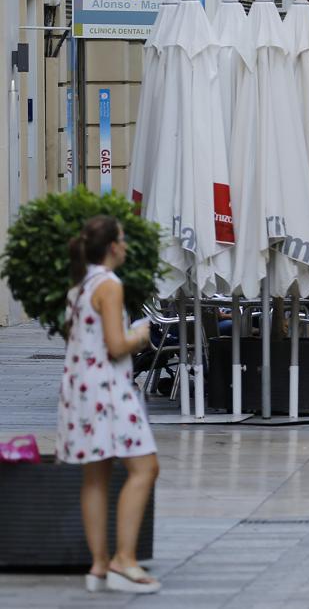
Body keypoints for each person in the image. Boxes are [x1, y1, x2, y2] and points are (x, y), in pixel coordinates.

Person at [59, 216, 161, 594]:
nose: (126, 245)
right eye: (122, 239)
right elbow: (116, 345)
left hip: (81, 390)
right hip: (109, 390)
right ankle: (124, 560)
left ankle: (99, 564)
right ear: (113, 247)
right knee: (145, 468)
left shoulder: (80, 286)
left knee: (95, 476)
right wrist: (140, 335)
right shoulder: (109, 284)